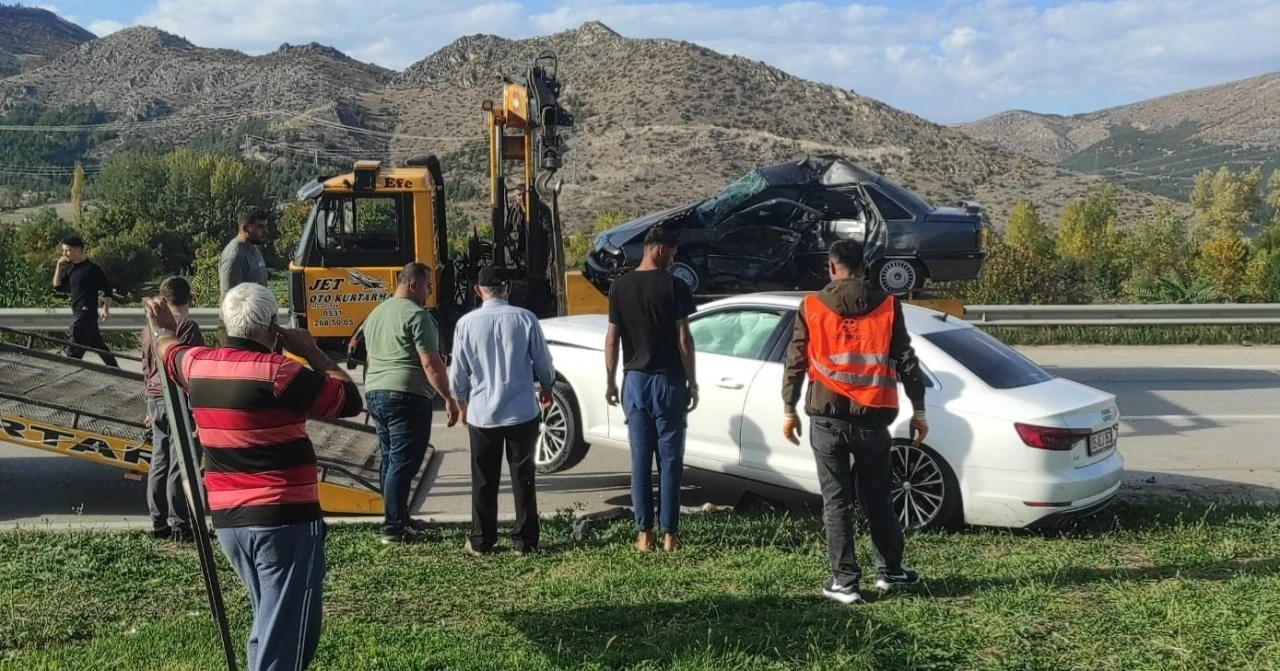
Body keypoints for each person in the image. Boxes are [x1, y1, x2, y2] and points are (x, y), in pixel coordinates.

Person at [144, 282, 362, 671]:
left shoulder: (199, 365)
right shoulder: (280, 373)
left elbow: (168, 351)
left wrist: (163, 327)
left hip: (230, 522)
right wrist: (310, 349)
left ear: (225, 324)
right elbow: (348, 400)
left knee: (268, 620)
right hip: (284, 520)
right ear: (272, 325)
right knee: (288, 633)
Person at [781, 238, 929, 605]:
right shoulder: (888, 306)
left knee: (836, 501)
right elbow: (907, 361)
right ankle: (891, 570)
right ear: (864, 268)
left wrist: (789, 408)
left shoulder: (812, 305)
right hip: (872, 420)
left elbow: (796, 360)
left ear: (831, 268)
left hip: (827, 418)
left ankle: (845, 582)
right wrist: (919, 409)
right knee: (878, 496)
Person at [449, 266, 556, 556]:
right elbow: (542, 361)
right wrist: (547, 386)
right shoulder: (525, 319)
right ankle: (525, 541)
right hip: (522, 411)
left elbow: (458, 370)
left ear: (478, 291)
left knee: (483, 479)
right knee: (524, 477)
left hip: (483, 413)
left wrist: (460, 400)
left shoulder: (466, 324)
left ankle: (482, 540)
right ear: (507, 289)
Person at [603, 226, 698, 553]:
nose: (673, 258)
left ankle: (644, 534)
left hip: (635, 382)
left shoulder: (619, 286)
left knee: (641, 460)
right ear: (659, 249)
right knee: (671, 461)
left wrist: (610, 381)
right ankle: (670, 535)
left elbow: (612, 338)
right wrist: (693, 383)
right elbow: (684, 340)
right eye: (672, 252)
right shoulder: (676, 286)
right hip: (669, 382)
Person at [362, 262, 460, 544]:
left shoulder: (376, 314)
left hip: (377, 393)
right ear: (414, 284)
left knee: (391, 458)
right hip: (406, 395)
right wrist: (449, 399)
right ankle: (393, 527)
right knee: (405, 461)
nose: (430, 292)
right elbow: (431, 362)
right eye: (428, 286)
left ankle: (398, 516)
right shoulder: (418, 316)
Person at [139, 276, 205, 542]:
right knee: (183, 463)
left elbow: (146, 367)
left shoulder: (148, 328)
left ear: (162, 299)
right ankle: (181, 524)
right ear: (190, 298)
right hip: (178, 399)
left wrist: (147, 403)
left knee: (159, 460)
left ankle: (158, 522)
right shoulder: (187, 327)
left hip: (154, 399)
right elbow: (191, 371)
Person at [52, 236, 118, 368]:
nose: (64, 254)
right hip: (81, 313)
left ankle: (67, 371)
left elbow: (107, 290)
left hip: (85, 313)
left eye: (68, 250)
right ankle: (117, 370)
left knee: (75, 346)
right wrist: (59, 266)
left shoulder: (92, 269)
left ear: (78, 250)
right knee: (99, 346)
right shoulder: (70, 268)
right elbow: (57, 286)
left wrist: (106, 309)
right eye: (63, 251)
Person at [218, 205, 270, 343]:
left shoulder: (254, 248)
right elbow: (226, 300)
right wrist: (234, 341)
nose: (265, 231)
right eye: (260, 227)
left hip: (257, 328)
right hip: (242, 334)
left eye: (265, 226)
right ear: (245, 228)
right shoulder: (234, 256)